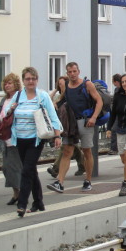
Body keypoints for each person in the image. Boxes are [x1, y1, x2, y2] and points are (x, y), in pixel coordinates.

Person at [10, 67, 62, 217]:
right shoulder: (18, 96)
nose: (30, 81)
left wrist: (57, 136)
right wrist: (10, 109)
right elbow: (6, 113)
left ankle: (21, 204)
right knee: (31, 170)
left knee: (26, 171)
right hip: (20, 138)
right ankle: (38, 202)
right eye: (27, 79)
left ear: (37, 80)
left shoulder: (42, 96)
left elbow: (53, 116)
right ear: (23, 81)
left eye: (33, 79)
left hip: (36, 139)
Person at [48, 62, 103, 194]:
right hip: (71, 123)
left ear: (78, 71)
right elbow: (62, 99)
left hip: (85, 121)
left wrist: (94, 117)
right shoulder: (67, 86)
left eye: (74, 71)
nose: (72, 74)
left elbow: (99, 101)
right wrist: (55, 102)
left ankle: (88, 181)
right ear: (67, 73)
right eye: (69, 72)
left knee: (87, 151)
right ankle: (60, 182)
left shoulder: (86, 84)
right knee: (67, 151)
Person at [47, 76, 85, 178]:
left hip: (70, 125)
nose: (61, 86)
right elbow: (48, 99)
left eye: (63, 84)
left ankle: (55, 169)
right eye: (59, 84)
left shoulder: (68, 96)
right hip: (61, 125)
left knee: (66, 146)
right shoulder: (59, 96)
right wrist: (56, 89)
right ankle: (83, 165)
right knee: (72, 147)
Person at [0, 73, 22, 206]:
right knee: (7, 168)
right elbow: (0, 119)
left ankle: (19, 194)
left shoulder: (19, 98)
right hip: (4, 138)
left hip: (16, 137)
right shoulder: (3, 100)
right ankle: (17, 192)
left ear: (16, 84)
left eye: (10, 83)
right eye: (5, 83)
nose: (7, 85)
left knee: (15, 167)